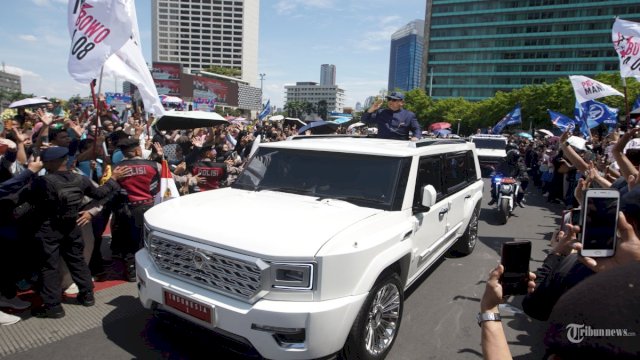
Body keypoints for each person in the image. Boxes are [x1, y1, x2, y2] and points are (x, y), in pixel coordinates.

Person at [24, 146, 124, 318]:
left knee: (49, 267)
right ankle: (87, 295)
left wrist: (29, 173)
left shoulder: (43, 182)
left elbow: (25, 198)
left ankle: (53, 307)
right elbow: (100, 193)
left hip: (48, 229)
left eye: (46, 160)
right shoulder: (80, 179)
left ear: (52, 162)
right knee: (77, 261)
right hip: (72, 226)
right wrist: (113, 179)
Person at [110, 138, 161, 282]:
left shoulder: (116, 168)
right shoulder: (154, 165)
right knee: (145, 240)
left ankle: (131, 270)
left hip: (125, 208)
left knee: (128, 241)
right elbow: (170, 179)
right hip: (148, 208)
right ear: (138, 150)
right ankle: (150, 270)